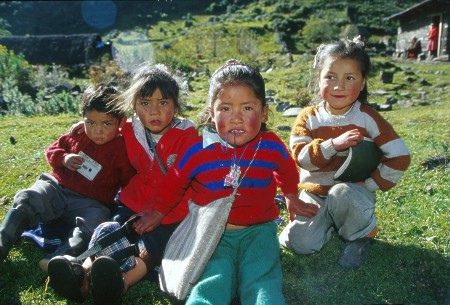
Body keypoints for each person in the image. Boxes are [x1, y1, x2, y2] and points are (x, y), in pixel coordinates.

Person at [134, 59, 319, 304]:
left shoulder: (271, 145)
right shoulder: (198, 150)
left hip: (259, 232)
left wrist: (291, 195)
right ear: (212, 112)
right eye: (225, 108)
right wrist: (157, 212)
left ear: (263, 112)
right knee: (212, 281)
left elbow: (286, 169)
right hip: (212, 234)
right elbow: (175, 182)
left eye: (247, 108)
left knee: (263, 280)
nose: (236, 118)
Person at [47, 64, 198, 304]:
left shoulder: (187, 135)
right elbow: (103, 123)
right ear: (134, 105)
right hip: (135, 199)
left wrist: (158, 213)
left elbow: (180, 179)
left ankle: (121, 282)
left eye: (163, 102)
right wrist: (81, 128)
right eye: (145, 103)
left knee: (150, 245)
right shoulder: (129, 128)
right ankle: (82, 274)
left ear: (176, 105)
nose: (154, 111)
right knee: (111, 230)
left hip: (171, 209)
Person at [278, 36, 411, 270]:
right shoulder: (308, 117)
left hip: (352, 193)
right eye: (330, 77)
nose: (339, 86)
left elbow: (400, 156)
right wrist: (333, 145)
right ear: (319, 79)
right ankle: (328, 224)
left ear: (362, 84)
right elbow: (302, 158)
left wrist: (369, 185)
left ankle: (360, 234)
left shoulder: (368, 117)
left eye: (349, 78)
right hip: (315, 193)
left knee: (342, 192)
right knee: (297, 243)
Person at [0, 83, 136, 266]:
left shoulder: (122, 148)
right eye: (91, 122)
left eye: (106, 124)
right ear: (83, 118)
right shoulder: (78, 134)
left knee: (97, 219)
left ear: (120, 123)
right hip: (58, 188)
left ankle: (59, 259)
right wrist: (63, 158)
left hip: (91, 202)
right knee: (30, 196)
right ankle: (3, 240)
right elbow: (52, 150)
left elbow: (129, 181)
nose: (97, 131)